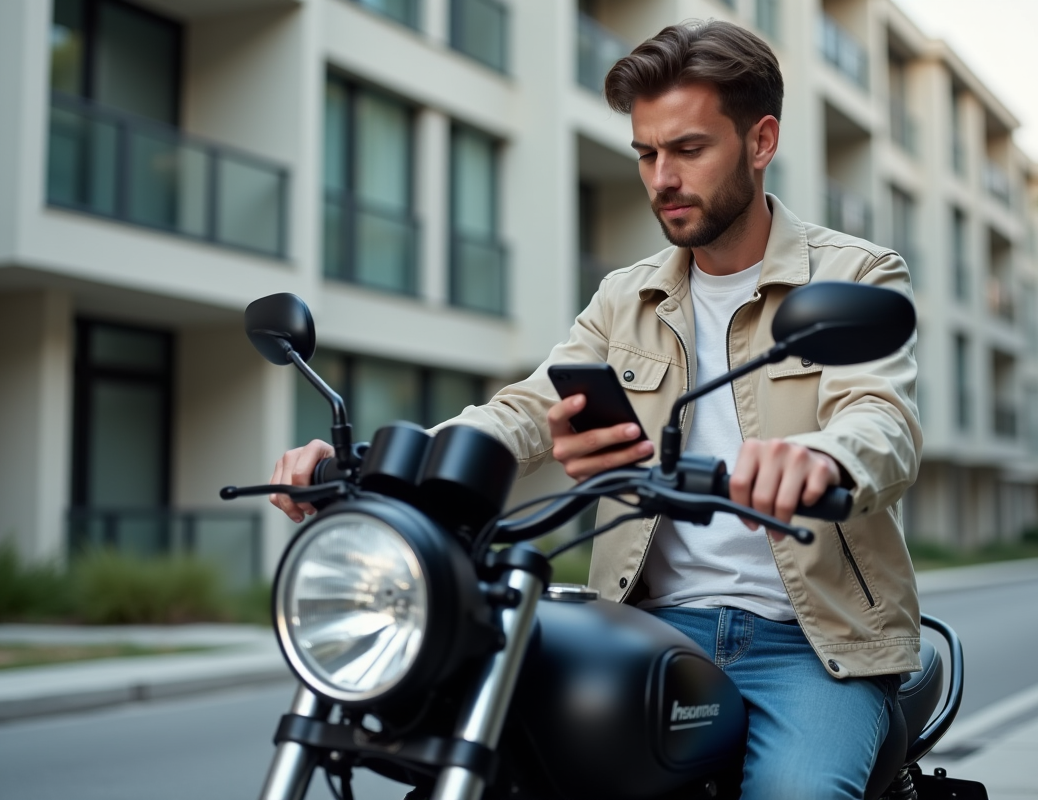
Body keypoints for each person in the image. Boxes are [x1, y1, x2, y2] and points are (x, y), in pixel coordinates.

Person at [270, 19, 922, 800]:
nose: (661, 179)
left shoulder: (856, 272)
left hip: (815, 643)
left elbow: (881, 419)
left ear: (760, 141)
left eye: (688, 149)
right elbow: (523, 409)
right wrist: (375, 464)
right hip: (644, 624)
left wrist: (822, 458)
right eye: (646, 153)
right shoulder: (627, 296)